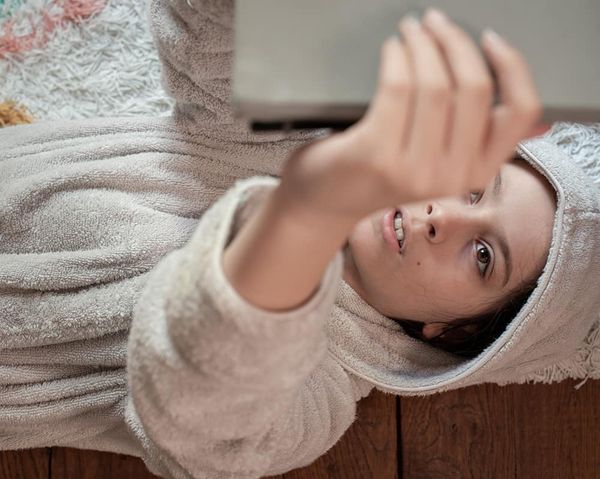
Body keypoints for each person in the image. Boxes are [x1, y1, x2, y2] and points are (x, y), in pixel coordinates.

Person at [0, 2, 598, 479]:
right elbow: (213, 33)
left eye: (484, 257)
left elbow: (204, 424)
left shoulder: (317, 399)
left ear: (449, 331)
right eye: (472, 186)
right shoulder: (291, 131)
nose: (447, 219)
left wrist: (313, 207)